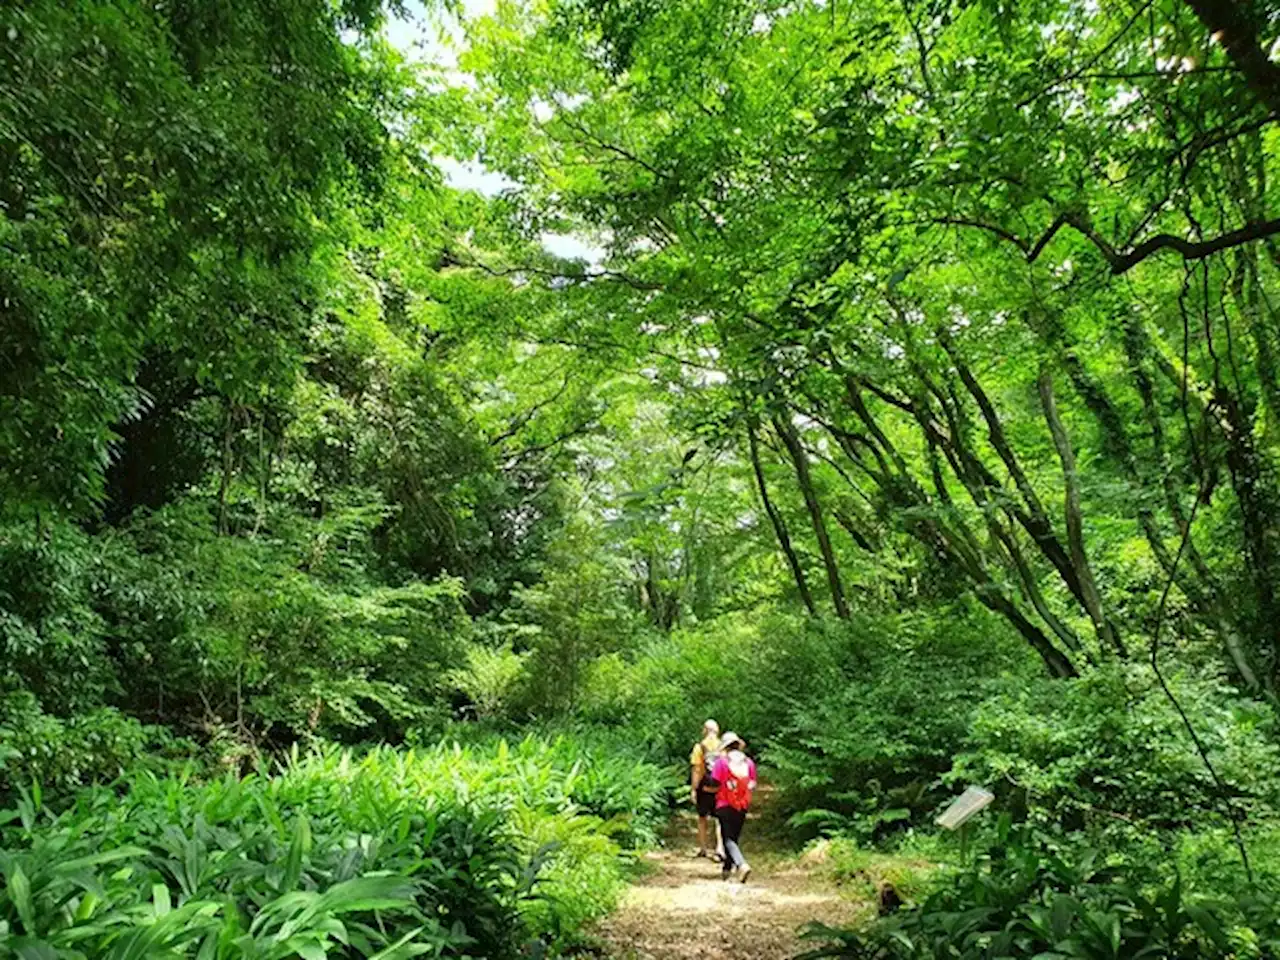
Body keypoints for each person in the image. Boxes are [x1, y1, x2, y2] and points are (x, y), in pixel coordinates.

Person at [712, 731, 756, 882]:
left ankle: (741, 864)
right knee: (733, 838)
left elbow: (715, 782)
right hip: (742, 805)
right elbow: (752, 784)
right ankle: (727, 869)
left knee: (728, 839)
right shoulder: (749, 763)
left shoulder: (721, 762)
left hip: (724, 804)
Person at [689, 719, 723, 860]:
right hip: (720, 788)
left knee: (702, 818)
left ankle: (703, 848)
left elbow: (697, 769)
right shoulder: (723, 747)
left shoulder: (700, 747)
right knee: (720, 819)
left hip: (704, 788)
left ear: (704, 730)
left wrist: (693, 789)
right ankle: (720, 849)